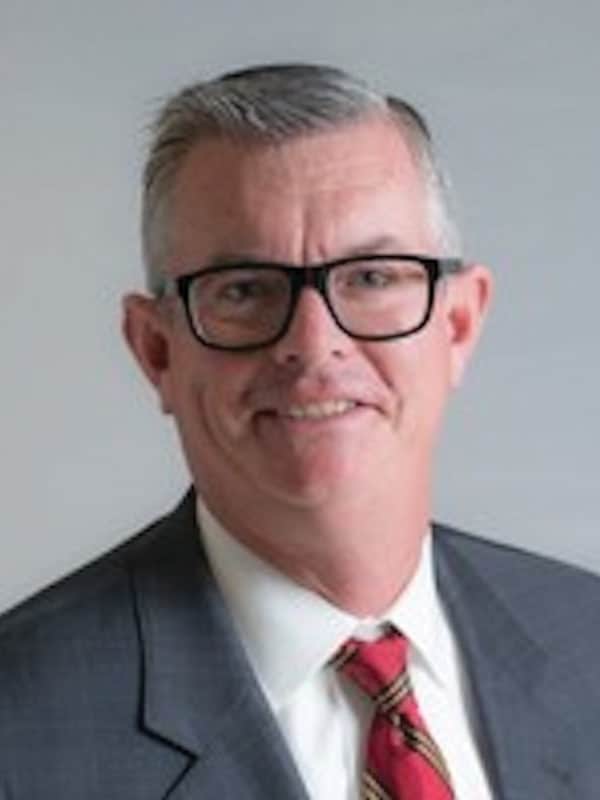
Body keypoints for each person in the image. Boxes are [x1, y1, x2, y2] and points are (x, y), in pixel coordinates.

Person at [1, 63, 598, 799]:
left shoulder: (588, 642)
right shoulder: (20, 729)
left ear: (459, 325)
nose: (314, 347)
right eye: (245, 291)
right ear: (155, 349)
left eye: (373, 278)